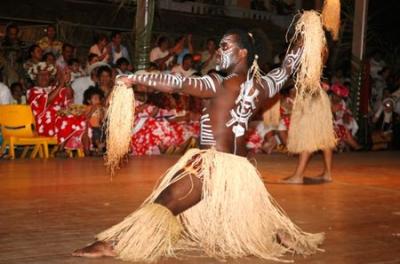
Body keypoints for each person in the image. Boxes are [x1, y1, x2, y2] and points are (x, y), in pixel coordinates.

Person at [73, 28, 324, 262]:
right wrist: (305, 39)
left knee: (167, 200)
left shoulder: (219, 83)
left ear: (243, 52)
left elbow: (178, 84)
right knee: (240, 217)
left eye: (225, 46)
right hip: (240, 171)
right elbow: (288, 68)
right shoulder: (262, 85)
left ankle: (116, 244)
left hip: (211, 166)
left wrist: (136, 78)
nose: (219, 50)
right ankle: (276, 233)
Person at [26, 62, 87, 151]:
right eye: (41, 75)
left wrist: (67, 83)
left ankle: (87, 149)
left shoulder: (55, 88)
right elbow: (47, 100)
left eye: (47, 75)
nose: (44, 77)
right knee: (67, 118)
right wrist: (61, 84)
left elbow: (69, 95)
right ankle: (61, 149)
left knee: (82, 119)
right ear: (35, 77)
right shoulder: (32, 91)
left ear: (50, 77)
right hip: (44, 124)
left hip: (59, 119)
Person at [84, 88, 105, 155]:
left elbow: (102, 119)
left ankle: (101, 147)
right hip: (92, 127)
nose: (96, 100)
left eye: (98, 98)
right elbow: (87, 117)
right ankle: (98, 145)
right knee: (96, 133)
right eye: (94, 99)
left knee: (105, 132)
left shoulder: (100, 107)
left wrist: (102, 112)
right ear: (89, 101)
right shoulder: (88, 107)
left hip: (100, 126)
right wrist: (92, 109)